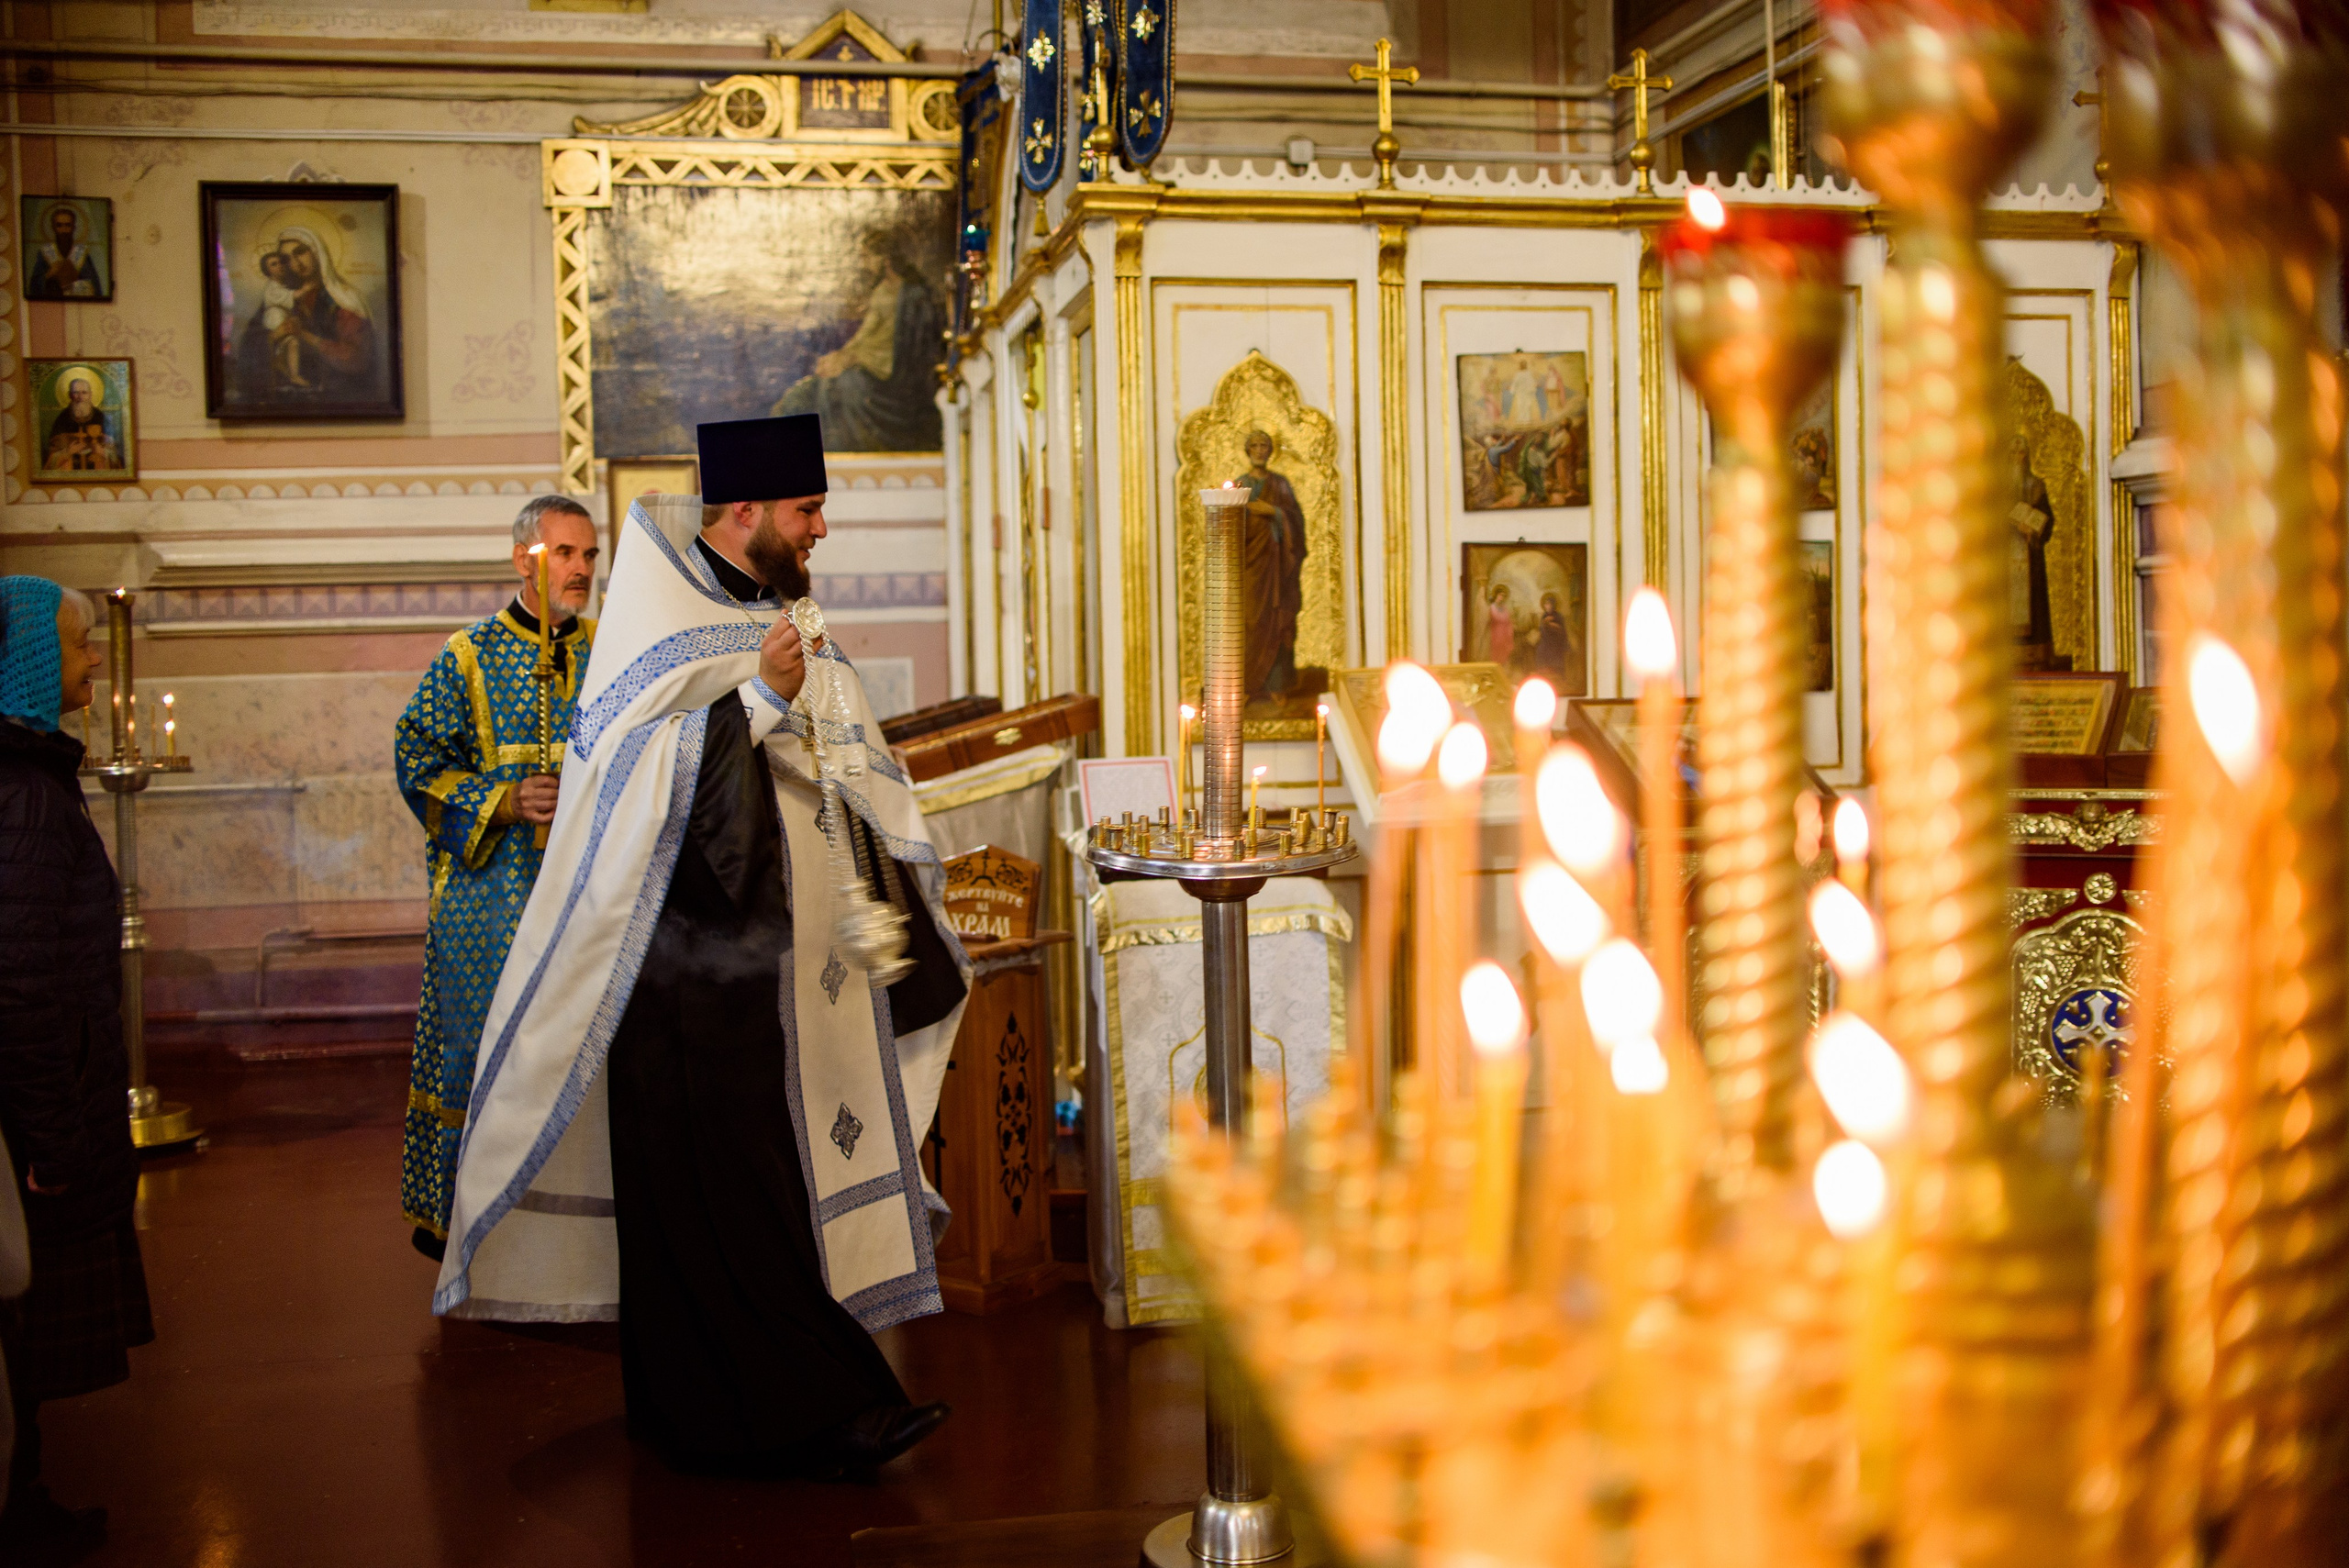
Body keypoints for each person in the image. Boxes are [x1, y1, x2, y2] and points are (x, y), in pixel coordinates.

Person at [434, 414, 969, 1480]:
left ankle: (704, 1408)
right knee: (724, 1195)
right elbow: (629, 779)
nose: (822, 527)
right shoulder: (658, 614)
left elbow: (837, 748)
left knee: (735, 1193)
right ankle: (832, 1408)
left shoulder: (772, 607)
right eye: (807, 509)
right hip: (676, 972)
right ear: (748, 512)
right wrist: (760, 696)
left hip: (764, 966)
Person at [394, 497, 599, 1260]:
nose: (580, 569)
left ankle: (571, 1229)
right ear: (525, 559)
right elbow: (416, 764)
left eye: (589, 556)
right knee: (483, 1050)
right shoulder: (468, 655)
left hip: (584, 895)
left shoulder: (607, 651)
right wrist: (505, 800)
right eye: (566, 554)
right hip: (488, 898)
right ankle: (470, 1223)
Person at [0, 576, 153, 1565]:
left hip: (55, 1109)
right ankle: (19, 1504)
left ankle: (28, 1490)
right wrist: (55, 1140)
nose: (96, 664)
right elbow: (21, 983)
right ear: (29, 657)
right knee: (22, 1331)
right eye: (80, 646)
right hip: (39, 1129)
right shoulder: (22, 795)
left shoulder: (32, 778)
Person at [771, 234, 945, 451]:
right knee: (811, 389)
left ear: (885, 258)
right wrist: (841, 356)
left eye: (868, 257)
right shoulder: (881, 291)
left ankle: (849, 444)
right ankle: (783, 440)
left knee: (844, 385)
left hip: (894, 371)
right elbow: (866, 334)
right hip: (872, 360)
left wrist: (853, 357)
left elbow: (912, 345)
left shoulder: (914, 295)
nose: (865, 264)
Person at [233, 228, 378, 405]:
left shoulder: (344, 299)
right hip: (289, 397)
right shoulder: (282, 297)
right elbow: (247, 349)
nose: (297, 263)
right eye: (286, 259)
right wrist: (274, 335)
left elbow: (358, 359)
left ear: (316, 251)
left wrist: (304, 335)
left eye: (301, 252)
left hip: (338, 398)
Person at [1236, 429, 1308, 702]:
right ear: (1247, 450)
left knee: (1278, 619)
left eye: (1263, 445)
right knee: (1250, 622)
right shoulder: (1239, 484)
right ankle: (1246, 685)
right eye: (1253, 445)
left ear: (1270, 450)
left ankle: (1277, 684)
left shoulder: (1281, 485)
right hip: (1250, 570)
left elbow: (1296, 521)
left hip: (1278, 568)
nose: (1258, 450)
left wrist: (1275, 513)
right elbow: (1229, 526)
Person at [25, 206, 101, 301]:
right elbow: (33, 287)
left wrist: (73, 280)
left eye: (68, 225)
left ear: (73, 227)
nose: (63, 230)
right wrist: (48, 275)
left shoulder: (81, 253)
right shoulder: (45, 253)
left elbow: (95, 287)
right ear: (53, 228)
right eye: (59, 225)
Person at [43, 377, 117, 474]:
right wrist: (68, 452)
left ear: (90, 395)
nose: (80, 397)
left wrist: (103, 452)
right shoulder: (62, 419)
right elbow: (51, 459)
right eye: (76, 393)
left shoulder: (101, 417)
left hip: (97, 474)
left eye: (84, 393)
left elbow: (115, 457)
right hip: (69, 476)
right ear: (70, 395)